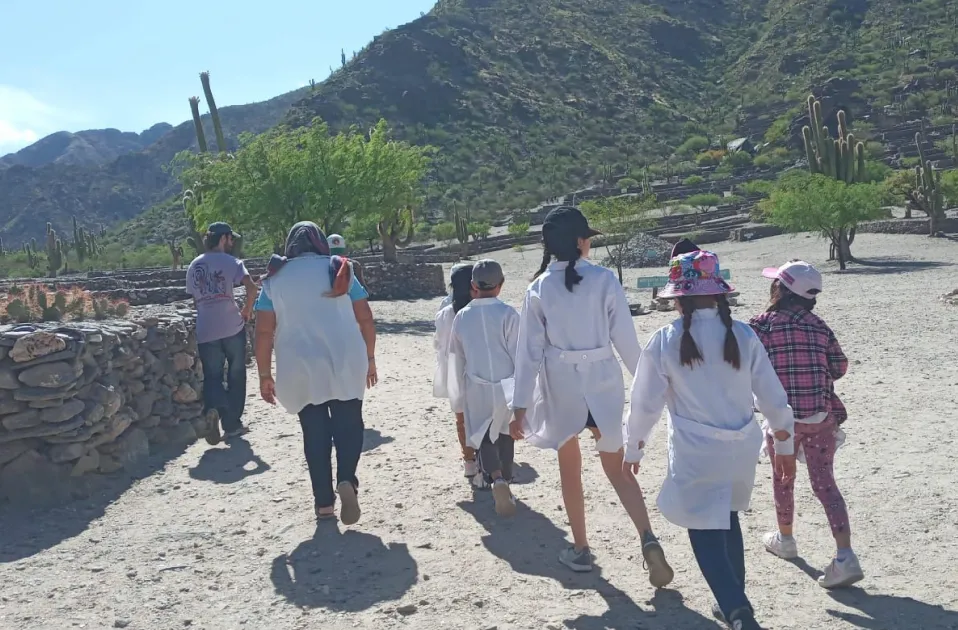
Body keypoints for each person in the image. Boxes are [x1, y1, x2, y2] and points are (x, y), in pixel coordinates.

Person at [624, 250, 796, 630]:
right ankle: (731, 601)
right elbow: (772, 396)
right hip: (741, 448)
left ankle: (738, 612)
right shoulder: (744, 334)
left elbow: (644, 403)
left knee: (704, 528)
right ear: (718, 292)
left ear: (678, 297)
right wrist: (783, 445)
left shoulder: (665, 340)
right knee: (727, 517)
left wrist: (633, 445)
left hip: (696, 452)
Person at [510, 206, 672, 583]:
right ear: (582, 241)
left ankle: (581, 549)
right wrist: (651, 385)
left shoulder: (538, 288)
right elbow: (627, 342)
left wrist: (519, 407)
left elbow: (528, 353)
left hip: (562, 385)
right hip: (603, 382)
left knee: (571, 470)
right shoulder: (603, 280)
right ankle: (648, 538)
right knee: (616, 470)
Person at [253, 222, 378, 524]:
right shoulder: (340, 269)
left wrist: (264, 375)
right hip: (346, 357)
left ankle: (324, 504)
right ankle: (346, 479)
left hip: (299, 365)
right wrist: (370, 357)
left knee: (315, 432)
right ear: (320, 242)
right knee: (349, 422)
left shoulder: (275, 278)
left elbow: (263, 331)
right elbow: (365, 317)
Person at [750, 260, 862, 589]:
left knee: (783, 479)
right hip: (820, 417)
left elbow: (748, 365)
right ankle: (845, 555)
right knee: (825, 484)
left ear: (779, 290)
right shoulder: (819, 326)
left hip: (783, 420)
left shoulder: (762, 325)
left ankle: (786, 539)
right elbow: (839, 367)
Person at [448, 259, 520, 516]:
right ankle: (507, 478)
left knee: (482, 434)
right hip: (506, 384)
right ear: (500, 286)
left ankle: (497, 478)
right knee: (504, 432)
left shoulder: (462, 316)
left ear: (473, 286)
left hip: (476, 384)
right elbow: (518, 353)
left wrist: (457, 390)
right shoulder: (509, 314)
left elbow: (457, 355)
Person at [186, 222, 258, 444]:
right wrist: (246, 310)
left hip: (207, 328)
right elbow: (251, 287)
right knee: (236, 373)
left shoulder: (194, 265)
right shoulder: (232, 262)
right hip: (231, 325)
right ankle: (232, 424)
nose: (233, 242)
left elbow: (196, 300)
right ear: (223, 239)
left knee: (213, 374)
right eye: (230, 238)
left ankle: (215, 408)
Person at [433, 263, 480, 480]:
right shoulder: (480, 310)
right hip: (480, 368)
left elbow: (439, 343)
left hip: (454, 370)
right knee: (484, 414)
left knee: (461, 418)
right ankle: (486, 458)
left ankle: (469, 460)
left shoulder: (445, 313)